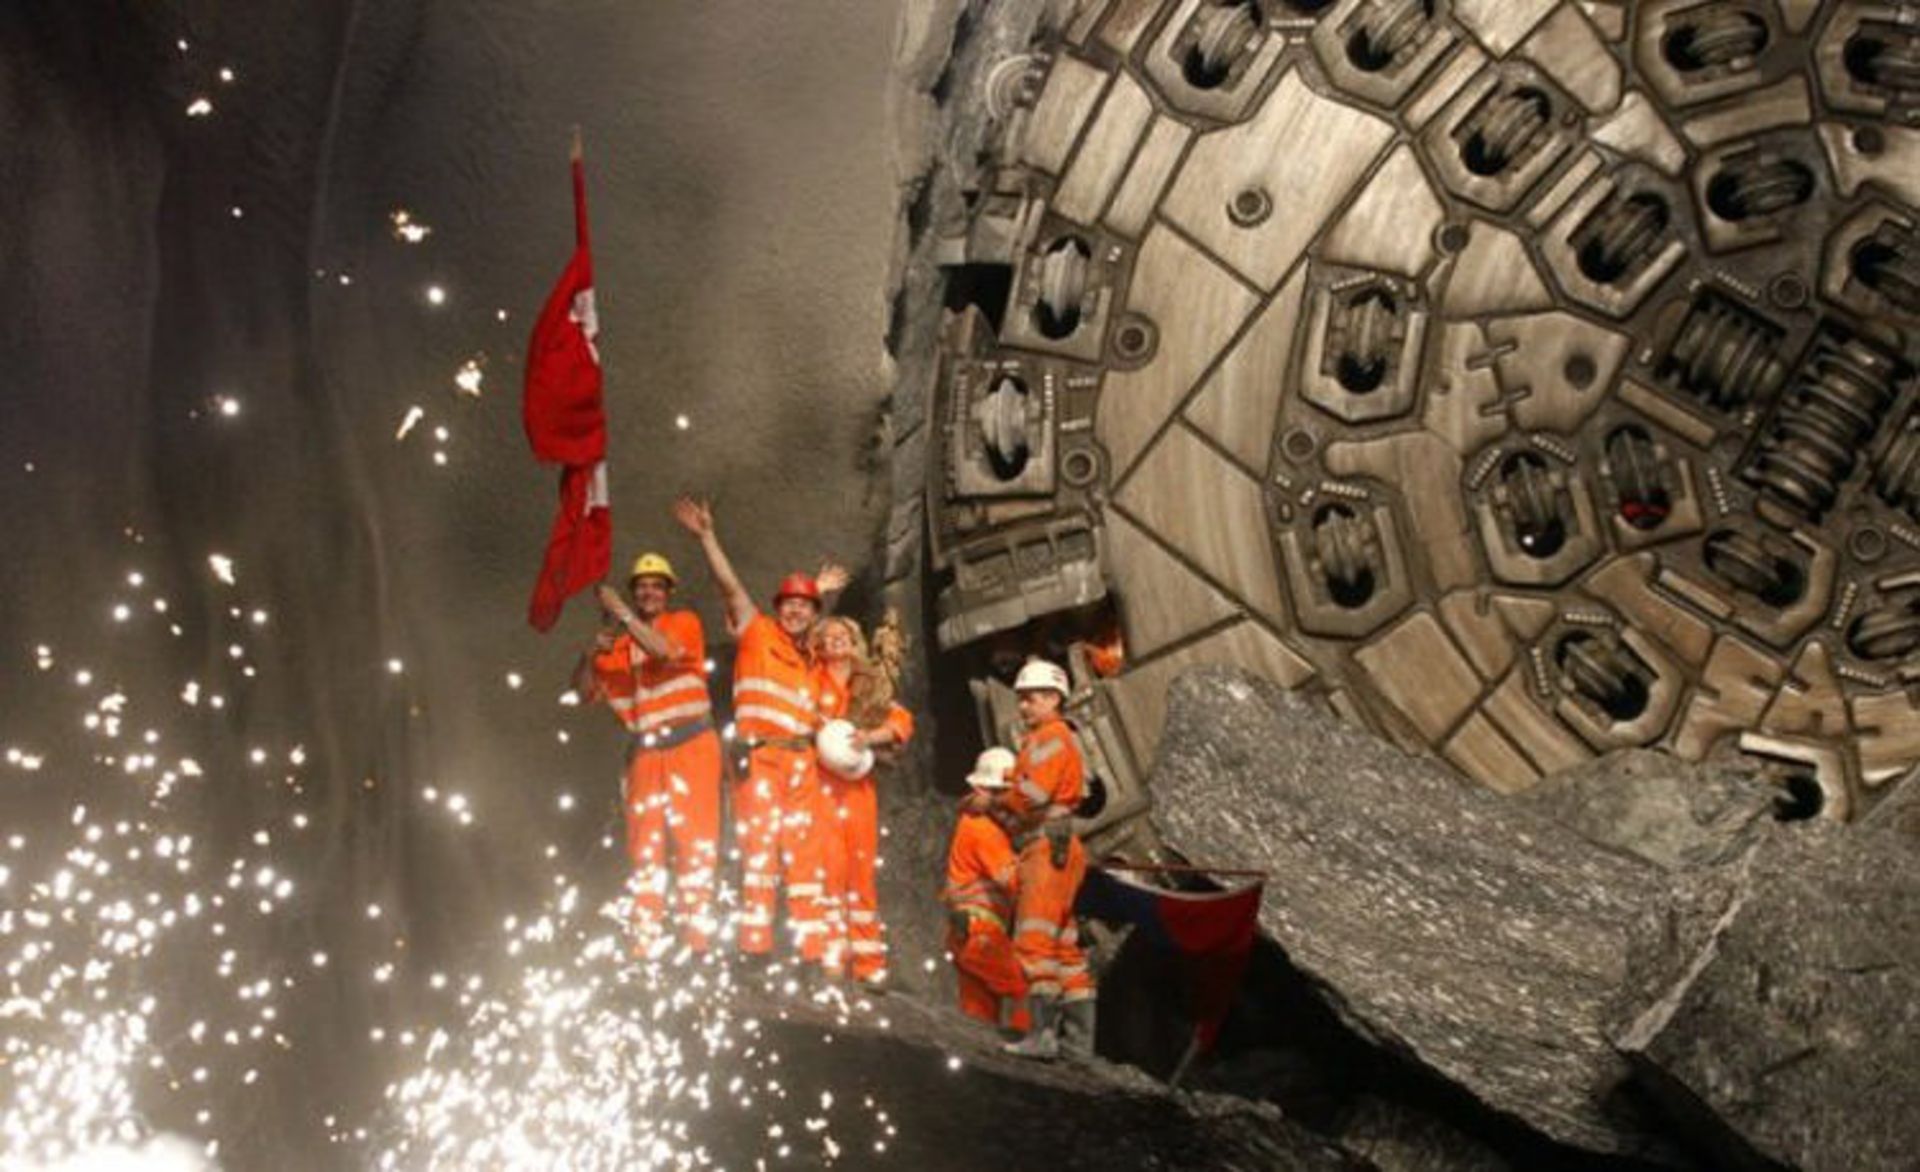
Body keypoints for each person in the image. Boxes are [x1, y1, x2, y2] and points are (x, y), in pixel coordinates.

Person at [673, 495, 845, 967]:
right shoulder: (757, 632)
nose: (795, 612)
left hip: (801, 762)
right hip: (761, 758)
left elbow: (825, 642)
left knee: (804, 855)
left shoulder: (811, 661)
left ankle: (812, 953)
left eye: (804, 607)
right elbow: (730, 588)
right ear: (777, 608)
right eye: (789, 605)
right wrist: (708, 537)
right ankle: (755, 948)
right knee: (760, 851)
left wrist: (817, 590)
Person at [572, 554, 721, 955]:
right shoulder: (620, 646)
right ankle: (644, 944)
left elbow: (663, 651)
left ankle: (697, 944)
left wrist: (621, 613)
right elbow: (582, 693)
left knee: (695, 843)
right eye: (642, 586)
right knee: (645, 847)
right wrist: (590, 654)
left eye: (657, 585)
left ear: (668, 592)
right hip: (648, 751)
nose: (649, 592)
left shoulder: (683, 622)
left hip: (692, 744)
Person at [995, 658, 1095, 1060]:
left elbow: (1033, 795)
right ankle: (1079, 1045)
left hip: (1045, 847)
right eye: (1021, 699)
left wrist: (997, 801)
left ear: (1054, 698)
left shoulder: (1049, 738)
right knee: (1065, 947)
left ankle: (1043, 1036)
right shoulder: (1056, 738)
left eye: (1031, 698)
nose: (1023, 706)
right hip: (1064, 846)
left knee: (1034, 940)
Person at [811, 613, 914, 987]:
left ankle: (869, 964)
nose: (836, 640)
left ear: (854, 641)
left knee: (861, 873)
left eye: (843, 635)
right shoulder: (810, 680)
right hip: (820, 786)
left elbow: (901, 722)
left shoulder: (870, 684)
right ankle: (831, 960)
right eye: (829, 636)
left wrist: (869, 737)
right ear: (818, 645)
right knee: (828, 871)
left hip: (858, 788)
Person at [943, 747, 1029, 1037]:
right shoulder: (985, 832)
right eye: (1000, 793)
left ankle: (977, 1057)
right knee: (1023, 988)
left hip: (965, 933)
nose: (1007, 802)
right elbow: (1013, 880)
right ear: (981, 790)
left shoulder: (973, 823)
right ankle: (1026, 1045)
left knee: (978, 1014)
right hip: (981, 932)